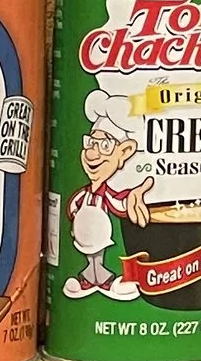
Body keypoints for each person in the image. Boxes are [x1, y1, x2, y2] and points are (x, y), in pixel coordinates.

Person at [66, 89, 155, 297]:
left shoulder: (108, 194)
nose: (91, 153)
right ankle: (88, 280)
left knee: (100, 252)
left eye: (104, 146)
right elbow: (73, 207)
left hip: (101, 232)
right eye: (91, 143)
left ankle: (105, 281)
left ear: (124, 152)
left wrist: (134, 196)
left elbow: (119, 203)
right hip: (84, 232)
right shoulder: (84, 194)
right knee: (89, 253)